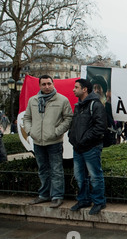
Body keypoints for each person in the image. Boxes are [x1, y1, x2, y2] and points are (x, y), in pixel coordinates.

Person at [23, 75, 73, 208]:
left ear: (53, 84)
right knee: (42, 169)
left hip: (55, 141)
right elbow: (27, 118)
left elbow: (68, 118)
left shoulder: (62, 100)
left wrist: (56, 132)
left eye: (49, 84)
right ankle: (44, 195)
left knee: (56, 169)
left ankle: (57, 196)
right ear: (39, 86)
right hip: (38, 141)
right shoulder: (33, 100)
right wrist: (30, 131)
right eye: (44, 84)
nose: (47, 86)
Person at [68, 79, 107, 215]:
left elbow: (100, 127)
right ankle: (83, 199)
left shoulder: (95, 105)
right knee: (79, 176)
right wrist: (71, 138)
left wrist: (85, 140)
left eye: (76, 87)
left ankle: (99, 202)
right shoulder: (78, 105)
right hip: (78, 147)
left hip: (91, 147)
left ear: (84, 89)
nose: (74, 89)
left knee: (95, 176)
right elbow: (74, 126)